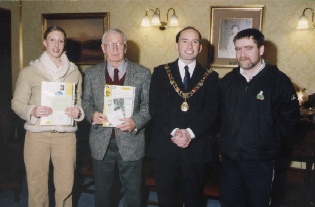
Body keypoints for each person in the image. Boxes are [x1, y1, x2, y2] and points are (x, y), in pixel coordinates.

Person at [219, 28, 300, 207]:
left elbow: (290, 121)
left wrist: (269, 144)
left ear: (261, 49)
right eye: (238, 49)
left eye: (248, 48)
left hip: (261, 163)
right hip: (231, 162)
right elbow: (218, 118)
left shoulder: (279, 81)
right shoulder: (227, 82)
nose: (243, 54)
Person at [11, 25, 85, 207]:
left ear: (64, 44)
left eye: (60, 41)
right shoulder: (29, 72)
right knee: (37, 185)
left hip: (66, 136)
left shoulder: (74, 72)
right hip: (37, 135)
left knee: (66, 184)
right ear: (44, 42)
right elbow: (17, 103)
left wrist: (78, 111)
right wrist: (32, 111)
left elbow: (79, 101)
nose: (56, 44)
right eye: (52, 39)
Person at [148, 26, 220, 206]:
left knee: (193, 199)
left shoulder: (211, 77)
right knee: (166, 199)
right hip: (166, 147)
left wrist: (190, 133)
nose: (190, 46)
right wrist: (174, 131)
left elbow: (212, 112)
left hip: (196, 148)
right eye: (185, 41)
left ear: (200, 48)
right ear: (176, 45)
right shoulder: (160, 72)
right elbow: (155, 108)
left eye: (195, 41)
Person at [82, 29, 151, 207]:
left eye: (119, 44)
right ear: (103, 48)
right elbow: (86, 102)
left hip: (131, 141)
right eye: (110, 44)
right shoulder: (91, 74)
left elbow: (148, 106)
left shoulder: (142, 73)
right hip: (101, 142)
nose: (115, 48)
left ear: (125, 48)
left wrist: (136, 121)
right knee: (103, 195)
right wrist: (91, 115)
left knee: (133, 194)